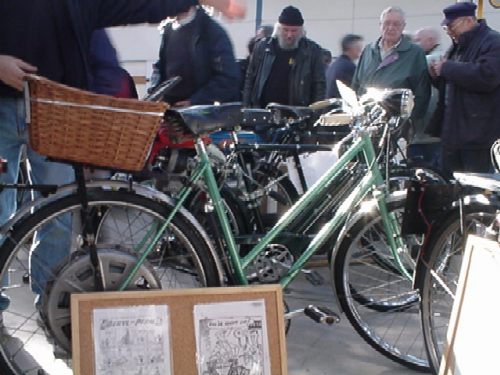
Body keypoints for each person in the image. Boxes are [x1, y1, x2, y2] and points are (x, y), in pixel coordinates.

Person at [0, 0, 245, 312]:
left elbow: (135, 6)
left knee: (59, 216)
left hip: (56, 111)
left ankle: (51, 306)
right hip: (3, 106)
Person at [426, 2, 500, 176]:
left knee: (476, 189)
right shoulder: (456, 46)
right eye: (446, 28)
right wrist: (437, 76)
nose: (449, 31)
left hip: (479, 135)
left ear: (468, 21)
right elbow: (453, 84)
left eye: (451, 26)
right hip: (453, 134)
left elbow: (487, 77)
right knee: (449, 189)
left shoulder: (493, 42)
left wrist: (448, 68)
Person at [351, 6, 431, 142]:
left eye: (396, 24)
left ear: (403, 26)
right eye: (387, 23)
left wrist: (409, 124)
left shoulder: (414, 53)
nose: (391, 27)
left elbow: (422, 94)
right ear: (380, 25)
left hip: (396, 128)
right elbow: (356, 84)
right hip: (365, 123)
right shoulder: (369, 50)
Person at [150, 5, 240, 107]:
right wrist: (157, 93)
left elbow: (228, 79)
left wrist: (195, 102)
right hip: (170, 111)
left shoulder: (211, 31)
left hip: (201, 116)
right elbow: (160, 68)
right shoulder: (168, 31)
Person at [243, 5, 326, 108]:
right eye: (285, 30)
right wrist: (246, 109)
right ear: (278, 29)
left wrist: (314, 115)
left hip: (298, 115)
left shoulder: (312, 51)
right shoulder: (262, 47)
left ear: (301, 31)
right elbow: (250, 79)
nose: (289, 35)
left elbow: (319, 86)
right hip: (264, 113)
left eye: (294, 31)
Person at [407, 27, 443, 169]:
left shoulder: (432, 59)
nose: (414, 44)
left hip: (426, 133)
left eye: (417, 40)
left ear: (430, 40)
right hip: (429, 133)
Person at [326, 33, 363, 98]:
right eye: (358, 48)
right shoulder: (348, 67)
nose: (360, 51)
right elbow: (357, 89)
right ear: (350, 48)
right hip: (340, 105)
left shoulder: (335, 64)